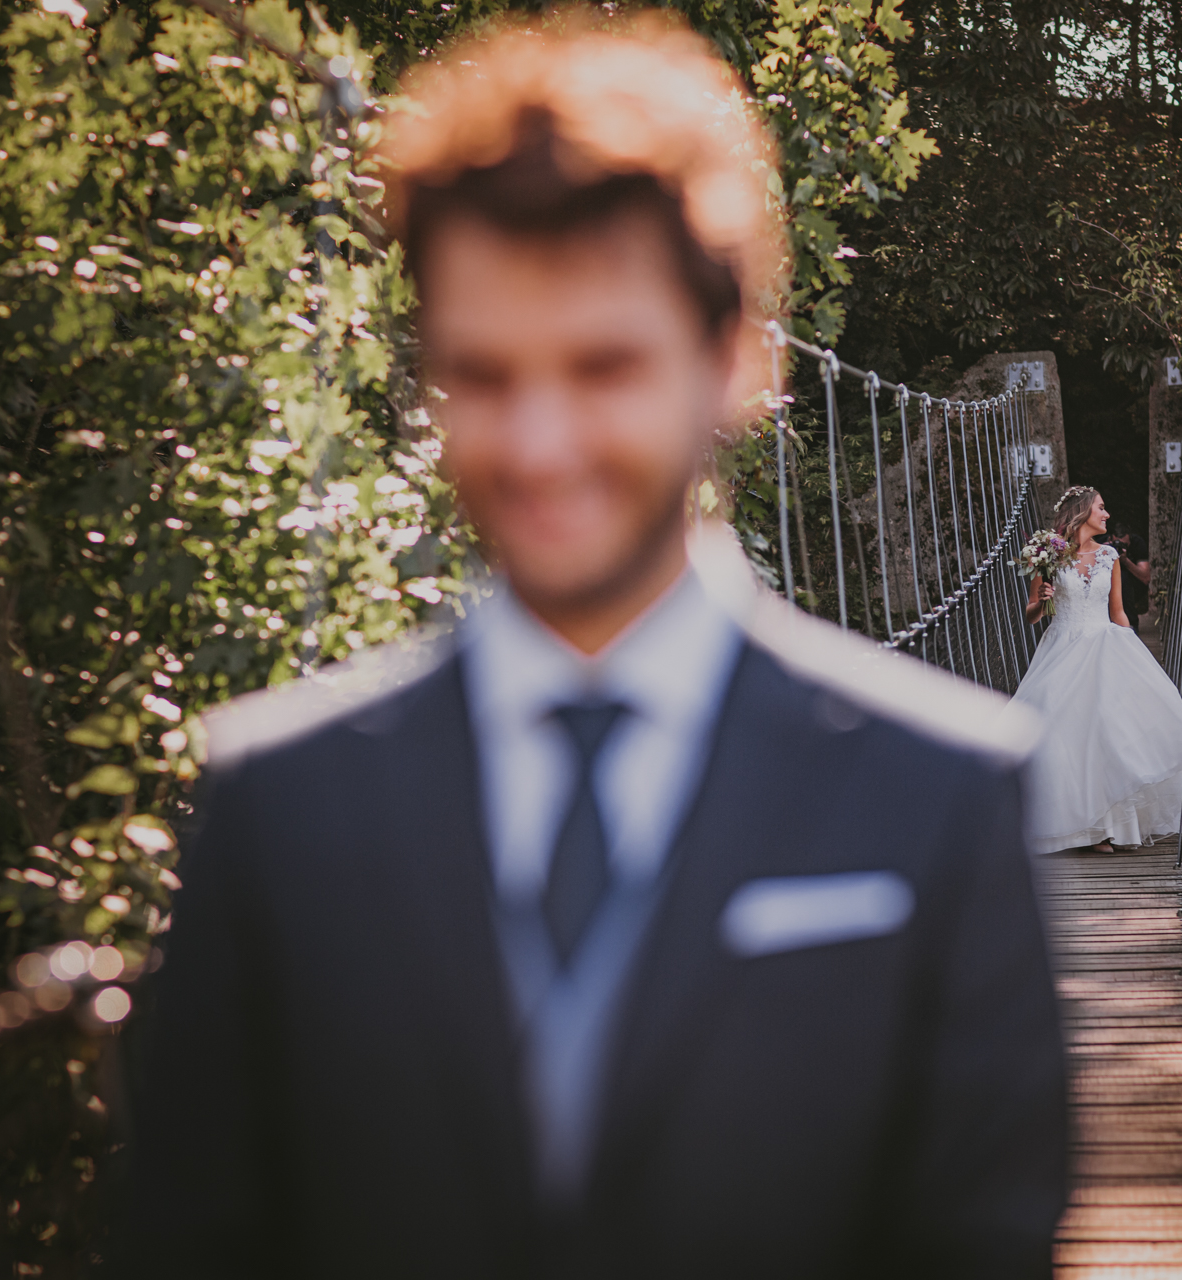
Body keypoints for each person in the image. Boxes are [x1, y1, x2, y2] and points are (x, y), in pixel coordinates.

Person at [112, 14, 1067, 1278]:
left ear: (736, 360)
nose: (540, 443)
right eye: (485, 375)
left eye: (604, 366)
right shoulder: (275, 800)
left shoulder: (946, 791)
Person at [1008, 486, 1182, 854]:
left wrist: (1135, 653)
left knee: (1110, 734)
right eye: (1101, 509)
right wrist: (1041, 603)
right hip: (1064, 648)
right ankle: (1084, 829)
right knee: (1071, 737)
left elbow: (1118, 610)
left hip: (1106, 645)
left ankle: (1110, 826)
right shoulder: (1048, 555)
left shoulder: (1109, 555)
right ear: (1081, 513)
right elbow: (1031, 615)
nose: (1107, 515)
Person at [1101, 520, 1151, 631]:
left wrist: (1125, 560)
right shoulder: (1102, 545)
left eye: (1125, 545)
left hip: (1133, 586)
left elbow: (1146, 578)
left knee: (1123, 578)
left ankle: (1131, 624)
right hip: (1107, 584)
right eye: (1117, 543)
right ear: (1110, 539)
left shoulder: (1137, 543)